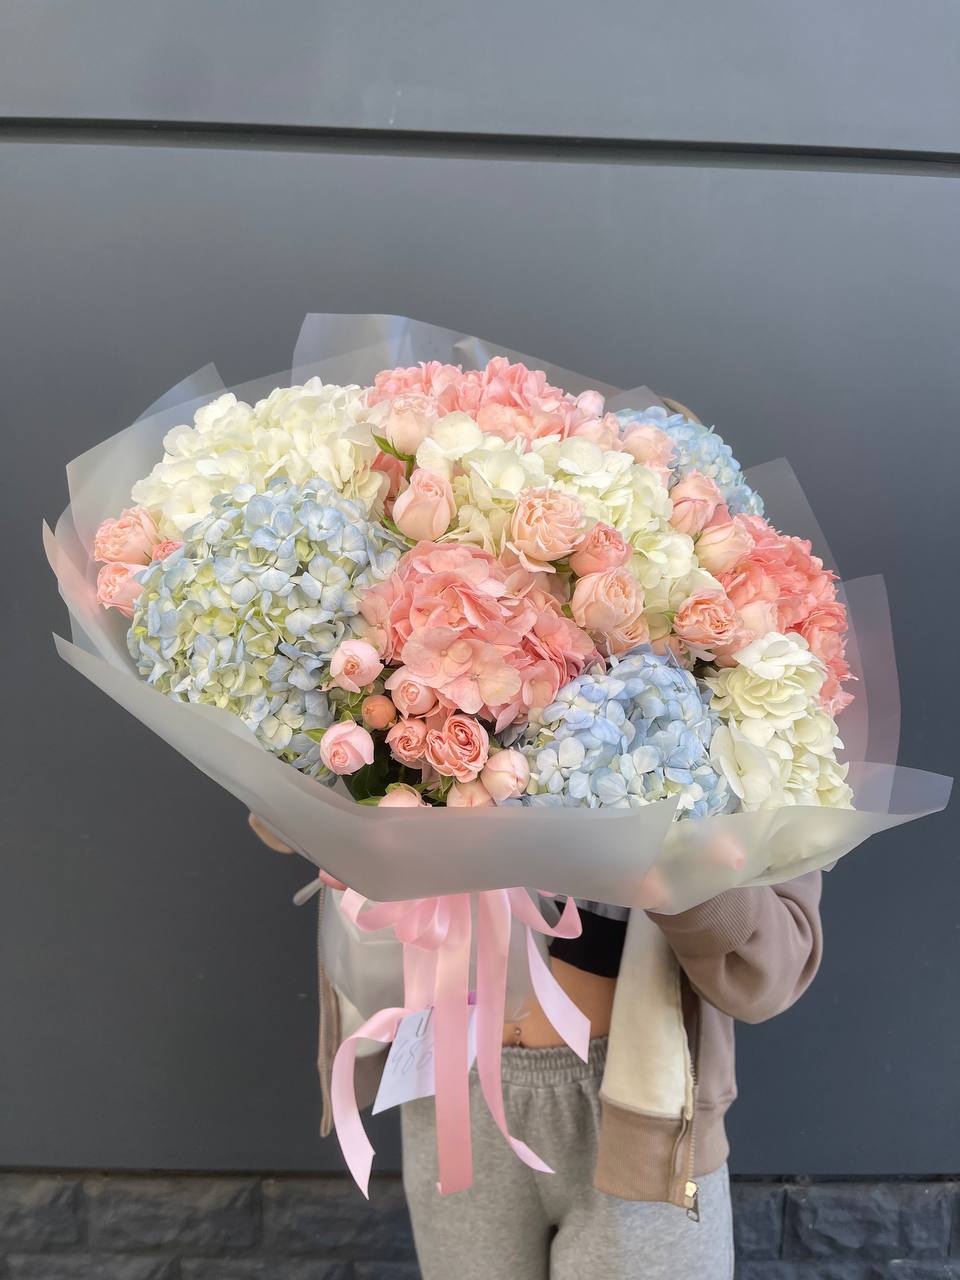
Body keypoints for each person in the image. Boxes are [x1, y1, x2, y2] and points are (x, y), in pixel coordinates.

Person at [248, 812, 823, 1280]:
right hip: (449, 1089)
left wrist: (690, 876)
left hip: (638, 1110)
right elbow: (279, 807)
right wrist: (355, 788)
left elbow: (770, 974)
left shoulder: (748, 712)